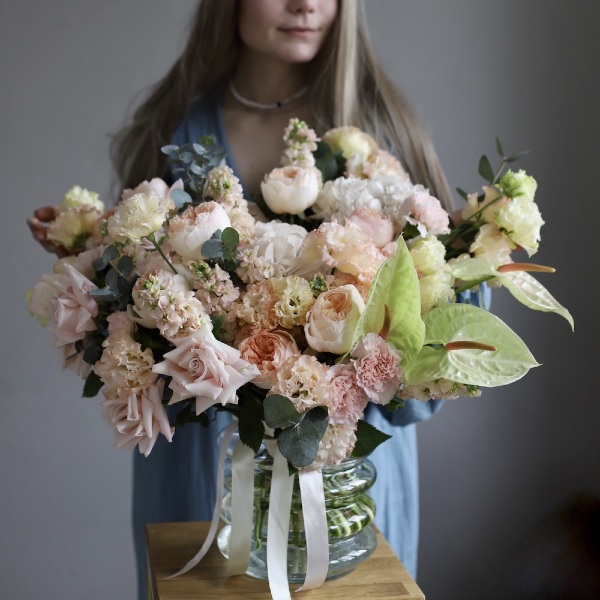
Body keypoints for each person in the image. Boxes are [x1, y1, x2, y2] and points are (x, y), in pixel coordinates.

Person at [31, 2, 458, 598]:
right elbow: (130, 296)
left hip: (343, 483)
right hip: (202, 474)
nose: (306, 3)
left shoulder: (382, 129)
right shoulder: (173, 129)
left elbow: (438, 332)